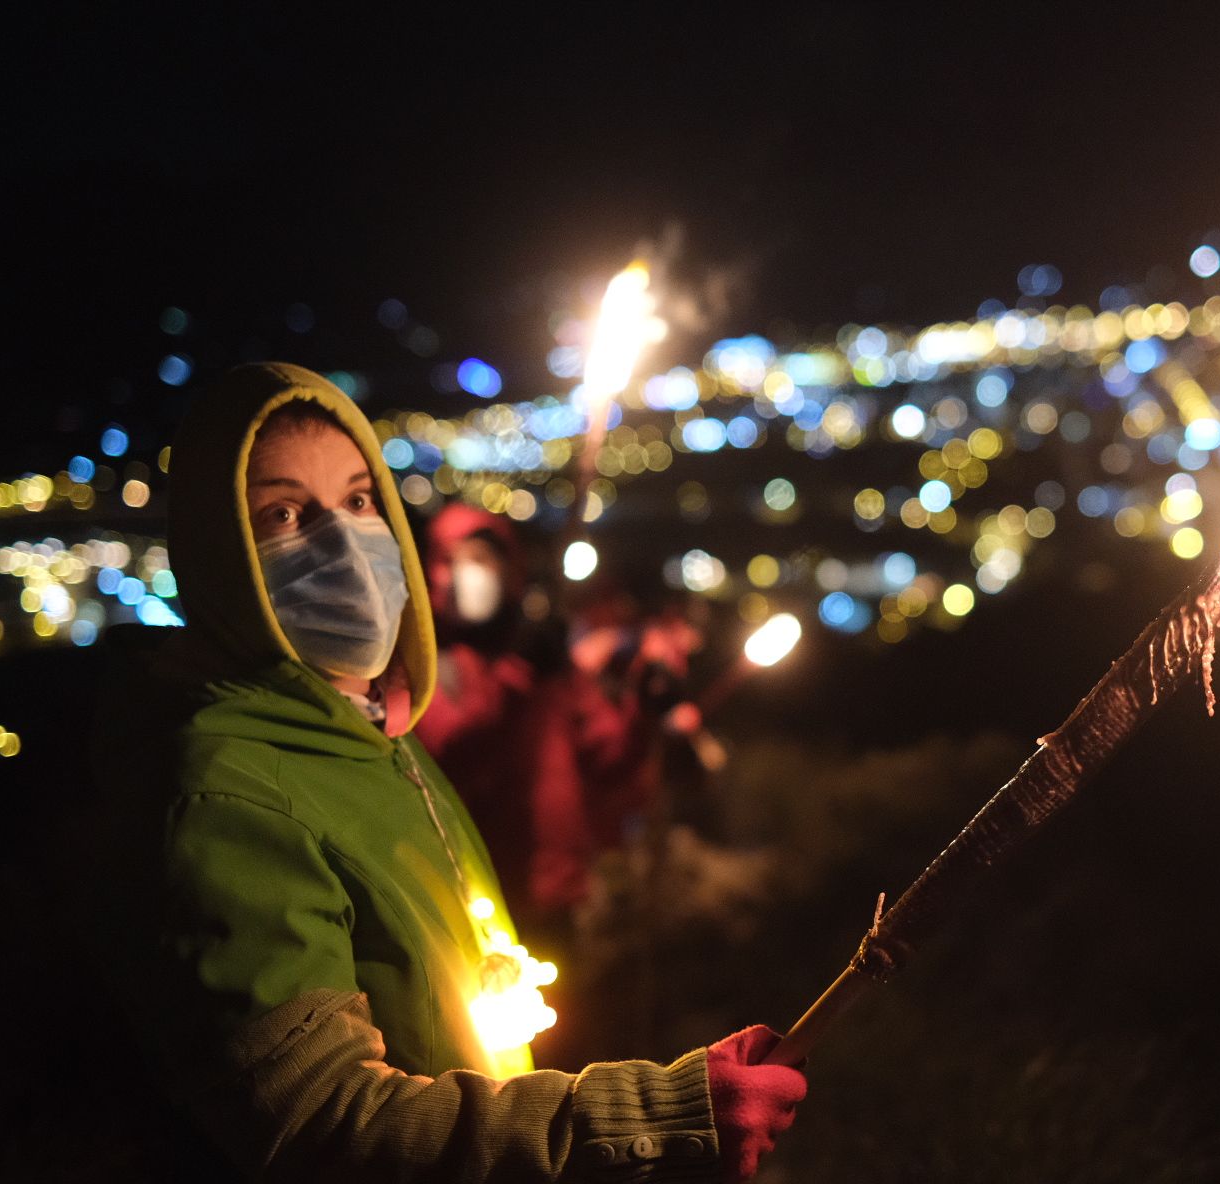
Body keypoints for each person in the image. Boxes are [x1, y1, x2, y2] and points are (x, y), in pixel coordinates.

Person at [85, 363, 804, 1182]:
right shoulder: (223, 794)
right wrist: (651, 1117)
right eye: (284, 514)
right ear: (222, 555)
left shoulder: (377, 733)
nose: (343, 543)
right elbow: (325, 1124)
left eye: (359, 501)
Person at [418, 503, 675, 931]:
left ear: (508, 568)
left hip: (555, 894)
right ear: (432, 572)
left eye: (480, 559)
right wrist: (522, 680)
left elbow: (607, 758)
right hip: (467, 897)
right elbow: (447, 764)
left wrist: (641, 710)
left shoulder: (548, 666)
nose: (468, 573)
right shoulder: (424, 666)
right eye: (452, 560)